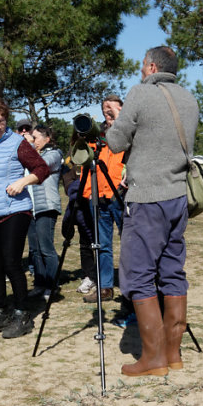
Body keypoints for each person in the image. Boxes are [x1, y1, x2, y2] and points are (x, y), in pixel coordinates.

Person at [106, 46, 199, 377]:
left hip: (146, 197)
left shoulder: (140, 94)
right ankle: (173, 355)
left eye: (142, 65)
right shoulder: (189, 98)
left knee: (138, 274)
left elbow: (115, 142)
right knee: (173, 271)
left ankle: (153, 359)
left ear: (151, 66)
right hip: (178, 196)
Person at [0, 97, 49, 339]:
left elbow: (42, 169)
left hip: (15, 209)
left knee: (11, 262)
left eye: (2, 121)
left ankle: (21, 313)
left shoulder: (17, 143)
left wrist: (23, 182)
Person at [77, 94, 126, 303]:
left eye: (112, 108)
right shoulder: (97, 136)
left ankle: (133, 287)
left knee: (130, 243)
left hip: (121, 195)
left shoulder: (129, 132)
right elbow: (85, 163)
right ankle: (105, 287)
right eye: (105, 109)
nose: (108, 112)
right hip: (99, 196)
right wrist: (87, 194)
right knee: (103, 245)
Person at [27, 125, 63, 299]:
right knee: (35, 249)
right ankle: (40, 284)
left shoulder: (54, 154)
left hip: (47, 206)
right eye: (32, 138)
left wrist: (27, 147)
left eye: (36, 138)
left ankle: (52, 285)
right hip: (32, 207)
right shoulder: (35, 154)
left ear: (47, 139)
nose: (33, 141)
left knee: (46, 247)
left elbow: (41, 166)